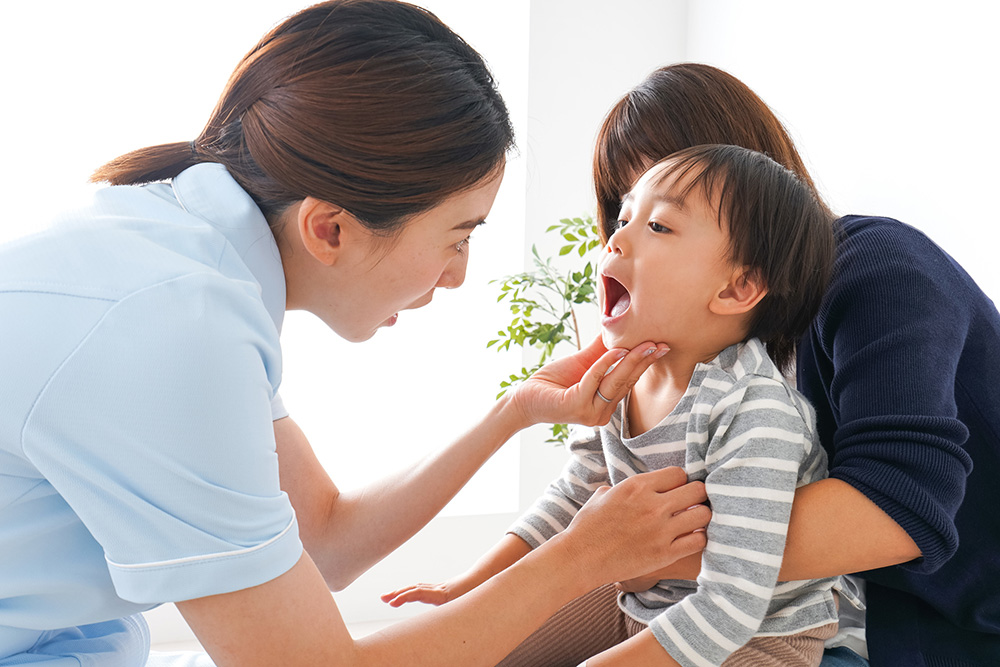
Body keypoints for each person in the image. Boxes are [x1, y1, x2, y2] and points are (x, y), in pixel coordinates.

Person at [0, 5, 714, 666]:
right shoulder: (173, 330)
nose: (458, 274)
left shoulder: (183, 257)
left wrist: (515, 413)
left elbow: (325, 538)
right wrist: (579, 558)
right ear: (329, 228)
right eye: (458, 235)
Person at [588, 63, 1000, 667]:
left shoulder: (876, 267)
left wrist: (619, 554)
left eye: (665, 216)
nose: (631, 240)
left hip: (936, 623)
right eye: (626, 214)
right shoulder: (706, 346)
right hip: (789, 606)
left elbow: (898, 510)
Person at [385, 143, 843, 667]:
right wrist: (465, 589)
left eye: (660, 228)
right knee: (476, 646)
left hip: (757, 637)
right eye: (625, 218)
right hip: (638, 600)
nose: (616, 238)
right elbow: (573, 496)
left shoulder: (754, 412)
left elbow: (734, 601)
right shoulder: (624, 375)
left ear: (738, 288)